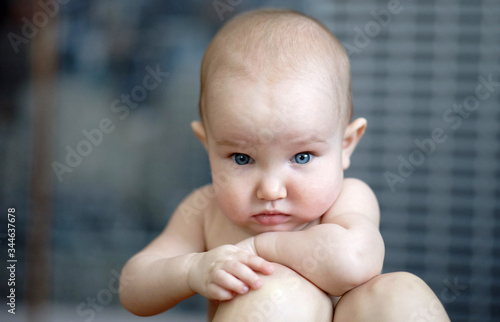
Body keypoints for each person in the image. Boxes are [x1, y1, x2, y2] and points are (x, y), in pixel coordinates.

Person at [119, 8, 450, 321]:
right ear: (208, 146)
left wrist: (261, 246)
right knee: (275, 293)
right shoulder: (205, 211)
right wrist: (191, 270)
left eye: (302, 157)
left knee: (398, 294)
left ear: (346, 145)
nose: (271, 189)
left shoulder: (349, 199)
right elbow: (133, 286)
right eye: (242, 158)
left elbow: (352, 263)